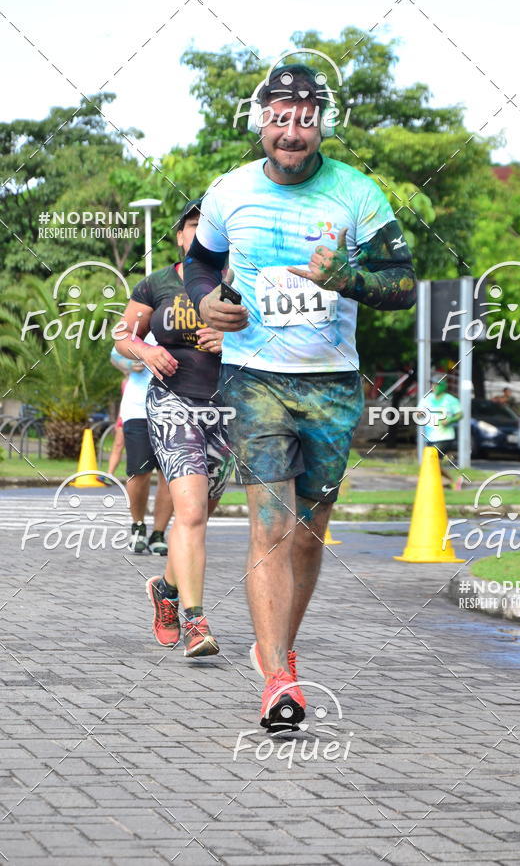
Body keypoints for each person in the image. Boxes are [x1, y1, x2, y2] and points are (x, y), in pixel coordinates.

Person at [183, 64, 417, 730]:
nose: (292, 131)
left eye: (305, 118)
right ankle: (281, 680)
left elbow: (401, 283)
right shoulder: (230, 191)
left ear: (321, 123)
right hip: (255, 375)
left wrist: (351, 277)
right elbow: (202, 263)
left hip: (332, 380)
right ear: (262, 121)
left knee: (310, 538)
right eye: (280, 117)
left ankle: (274, 642)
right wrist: (209, 301)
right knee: (272, 527)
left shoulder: (358, 193)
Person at [115, 199, 235, 657]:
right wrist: (145, 353)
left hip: (226, 409)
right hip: (172, 403)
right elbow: (122, 335)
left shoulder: (240, 282)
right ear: (182, 237)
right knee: (189, 515)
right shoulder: (157, 283)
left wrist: (231, 338)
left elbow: (270, 337)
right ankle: (196, 622)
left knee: (200, 516)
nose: (202, 233)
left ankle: (165, 590)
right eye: (194, 226)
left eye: (212, 227)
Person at [109, 343, 173, 554]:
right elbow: (115, 355)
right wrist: (128, 363)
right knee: (139, 472)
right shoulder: (139, 324)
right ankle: (138, 525)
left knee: (170, 474)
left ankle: (158, 533)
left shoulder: (185, 319)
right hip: (138, 409)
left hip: (176, 410)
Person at [417, 378, 463, 488]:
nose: (434, 387)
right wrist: (419, 414)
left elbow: (459, 414)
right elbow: (419, 412)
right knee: (432, 463)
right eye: (432, 384)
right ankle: (452, 481)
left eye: (437, 385)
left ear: (443, 386)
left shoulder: (451, 400)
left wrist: (450, 420)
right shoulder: (426, 399)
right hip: (430, 437)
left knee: (432, 462)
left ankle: (451, 481)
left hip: (445, 437)